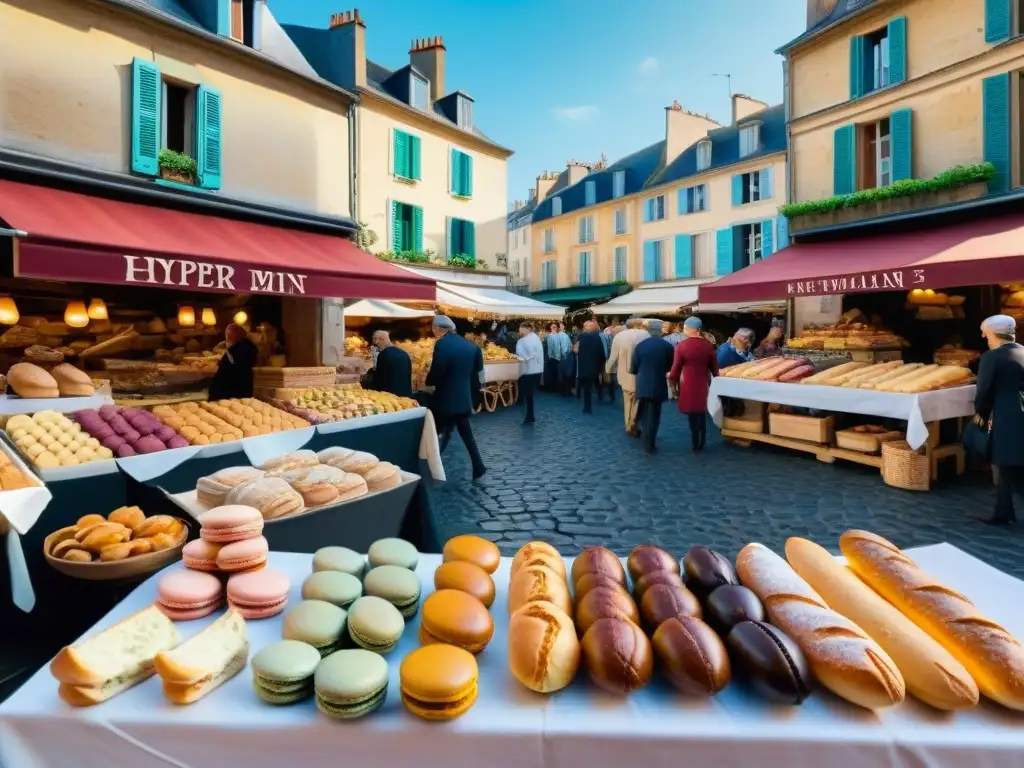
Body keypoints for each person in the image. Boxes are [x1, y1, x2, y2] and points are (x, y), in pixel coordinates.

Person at [974, 315, 1024, 525]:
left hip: (1005, 415)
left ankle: (1004, 512)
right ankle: (1003, 511)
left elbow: (984, 391)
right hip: (1020, 413)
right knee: (1010, 463)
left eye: (986, 336)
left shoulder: (991, 358)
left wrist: (981, 414)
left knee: (1005, 461)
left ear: (992, 335)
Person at [426, 315, 486, 479]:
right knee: (465, 434)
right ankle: (478, 466)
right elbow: (478, 377)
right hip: (463, 400)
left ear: (438, 329)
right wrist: (474, 400)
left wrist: (428, 381)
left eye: (433, 329)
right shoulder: (472, 346)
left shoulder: (442, 344)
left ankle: (430, 467)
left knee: (440, 433)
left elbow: (437, 370)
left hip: (445, 399)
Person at [668, 316, 719, 451]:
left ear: (689, 329)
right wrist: (717, 379)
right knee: (701, 411)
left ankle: (695, 441)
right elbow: (714, 368)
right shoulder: (708, 345)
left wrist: (671, 378)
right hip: (703, 383)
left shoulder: (682, 345)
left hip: (689, 384)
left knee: (692, 413)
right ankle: (702, 439)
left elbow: (676, 366)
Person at [629, 319, 675, 454]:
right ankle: (650, 443)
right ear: (660, 330)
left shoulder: (640, 346)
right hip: (658, 383)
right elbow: (670, 366)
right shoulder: (667, 346)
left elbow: (634, 367)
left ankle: (641, 431)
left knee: (645, 409)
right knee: (654, 414)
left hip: (643, 383)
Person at [606, 317, 648, 436]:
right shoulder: (645, 335)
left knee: (627, 399)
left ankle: (628, 424)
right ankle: (633, 421)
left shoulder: (619, 337)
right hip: (641, 373)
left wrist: (608, 370)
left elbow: (613, 357)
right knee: (638, 399)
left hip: (624, 374)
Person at [208, 323, 258, 400]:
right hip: (246, 395)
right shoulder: (251, 350)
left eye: (227, 337)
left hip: (229, 397)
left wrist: (212, 394)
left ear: (232, 337)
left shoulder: (232, 353)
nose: (226, 340)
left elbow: (220, 381)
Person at [368, 330, 412, 397]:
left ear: (380, 340)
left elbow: (379, 379)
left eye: (376, 345)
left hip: (391, 396)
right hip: (406, 395)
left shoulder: (384, 354)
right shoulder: (404, 353)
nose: (377, 347)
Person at [515, 321, 544, 425]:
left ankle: (529, 416)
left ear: (525, 328)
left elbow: (522, 356)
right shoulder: (536, 338)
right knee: (530, 395)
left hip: (527, 371)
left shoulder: (522, 341)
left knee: (526, 395)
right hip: (538, 370)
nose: (519, 330)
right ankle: (529, 415)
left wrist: (516, 357)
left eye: (520, 328)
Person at [576, 320, 607, 413]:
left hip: (584, 366)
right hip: (594, 366)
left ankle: (587, 406)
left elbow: (577, 350)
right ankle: (600, 396)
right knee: (597, 383)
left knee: (586, 388)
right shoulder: (598, 338)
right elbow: (601, 353)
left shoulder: (581, 337)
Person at [545, 321, 570, 393]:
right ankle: (554, 389)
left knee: (556, 374)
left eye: (555, 327)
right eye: (552, 327)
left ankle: (555, 389)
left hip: (557, 358)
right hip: (554, 358)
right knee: (555, 374)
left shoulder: (555, 335)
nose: (553, 328)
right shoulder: (552, 335)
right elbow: (550, 348)